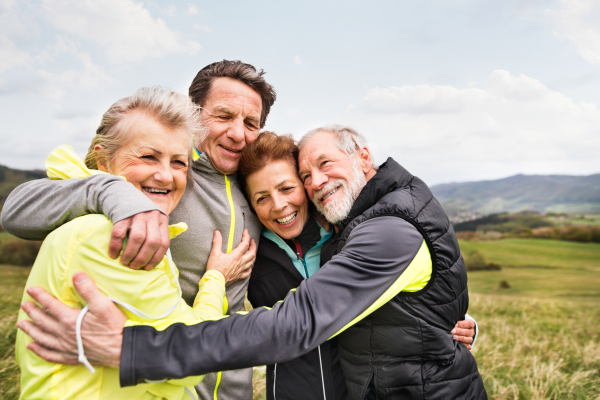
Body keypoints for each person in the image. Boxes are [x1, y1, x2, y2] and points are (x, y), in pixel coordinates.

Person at [17, 125, 485, 399]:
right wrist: (111, 189)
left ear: (364, 157)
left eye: (295, 184)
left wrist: (135, 349)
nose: (289, 199)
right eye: (263, 197)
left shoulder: (366, 234)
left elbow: (295, 323)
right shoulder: (266, 253)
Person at [3, 60, 276, 400]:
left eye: (251, 123)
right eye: (223, 116)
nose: (238, 133)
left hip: (231, 387)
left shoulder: (258, 189)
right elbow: (15, 212)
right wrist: (108, 190)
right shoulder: (165, 180)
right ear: (195, 115)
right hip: (159, 378)